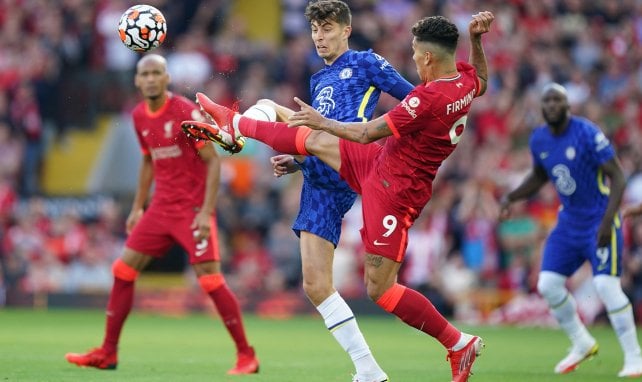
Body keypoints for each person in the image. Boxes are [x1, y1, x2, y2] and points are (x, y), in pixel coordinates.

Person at [183, 11, 494, 382]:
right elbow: (482, 81)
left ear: (426, 57)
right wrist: (476, 41)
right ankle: (234, 125)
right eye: (314, 29)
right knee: (309, 142)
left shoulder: (419, 94)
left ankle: (457, 342)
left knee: (380, 288)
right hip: (378, 161)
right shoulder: (463, 82)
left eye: (413, 53)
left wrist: (324, 122)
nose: (411, 58)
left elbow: (368, 132)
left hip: (392, 187)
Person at [245, 2, 413, 381]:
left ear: (346, 30)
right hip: (317, 178)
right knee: (316, 286)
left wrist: (382, 145)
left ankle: (233, 130)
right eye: (315, 30)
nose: (319, 36)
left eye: (327, 28)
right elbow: (318, 133)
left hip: (350, 163)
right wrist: (300, 161)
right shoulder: (319, 80)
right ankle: (368, 369)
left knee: (268, 106)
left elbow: (415, 102)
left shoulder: (367, 62)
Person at [65, 54, 259, 375]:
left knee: (210, 280)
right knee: (123, 271)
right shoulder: (139, 115)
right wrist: (137, 206)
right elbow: (147, 160)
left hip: (192, 210)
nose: (152, 78)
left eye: (158, 73)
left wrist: (206, 212)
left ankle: (246, 355)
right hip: (160, 209)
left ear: (167, 78)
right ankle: (108, 352)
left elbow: (212, 162)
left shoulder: (184, 111)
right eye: (146, 74)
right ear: (138, 81)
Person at [499, 83, 642, 378]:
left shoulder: (587, 133)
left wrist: (608, 221)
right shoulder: (539, 139)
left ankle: (635, 357)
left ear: (567, 106)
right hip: (569, 223)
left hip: (600, 219)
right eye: (547, 101)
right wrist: (513, 196)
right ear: (542, 108)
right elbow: (540, 176)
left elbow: (618, 177)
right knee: (547, 284)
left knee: (606, 287)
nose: (551, 105)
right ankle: (581, 341)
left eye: (557, 100)